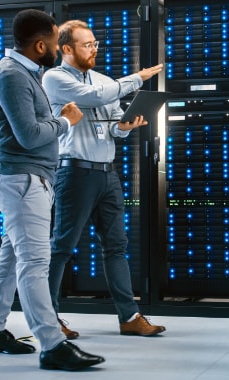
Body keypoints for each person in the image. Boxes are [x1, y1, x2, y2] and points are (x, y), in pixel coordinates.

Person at [0, 9, 105, 371]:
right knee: (35, 262)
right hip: (21, 179)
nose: (57, 48)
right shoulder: (12, 76)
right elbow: (30, 136)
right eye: (53, 42)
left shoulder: (25, 73)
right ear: (38, 44)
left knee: (12, 257)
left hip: (26, 179)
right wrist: (65, 121)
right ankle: (53, 344)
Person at [42, 20, 166, 339]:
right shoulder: (55, 78)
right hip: (74, 172)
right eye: (87, 45)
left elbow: (109, 121)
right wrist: (137, 78)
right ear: (67, 49)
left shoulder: (102, 80)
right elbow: (96, 98)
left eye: (96, 43)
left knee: (116, 246)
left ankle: (129, 317)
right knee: (62, 246)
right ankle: (49, 318)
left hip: (107, 174)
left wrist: (123, 128)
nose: (94, 49)